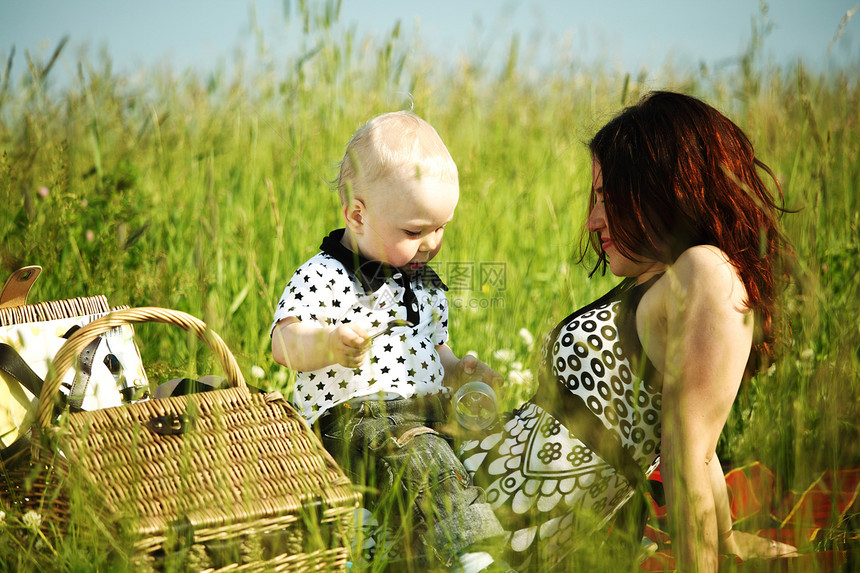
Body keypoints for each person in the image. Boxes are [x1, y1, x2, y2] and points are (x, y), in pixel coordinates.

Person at [458, 91, 797, 571]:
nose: (594, 220)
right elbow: (692, 437)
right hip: (464, 491)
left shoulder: (704, 271)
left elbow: (691, 453)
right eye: (595, 200)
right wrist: (725, 538)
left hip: (486, 533)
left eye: (609, 200)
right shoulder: (654, 280)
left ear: (672, 190)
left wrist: (710, 557)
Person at [270, 111, 510, 572]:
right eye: (415, 231)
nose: (430, 244)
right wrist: (329, 343)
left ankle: (418, 555)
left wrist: (456, 368)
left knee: (451, 462)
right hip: (352, 422)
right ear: (357, 214)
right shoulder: (324, 275)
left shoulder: (425, 284)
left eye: (441, 228)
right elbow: (284, 341)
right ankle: (475, 556)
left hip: (422, 418)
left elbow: (432, 346)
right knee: (423, 460)